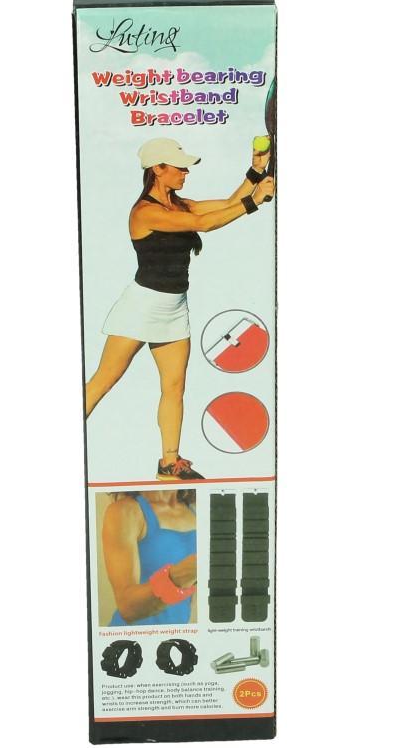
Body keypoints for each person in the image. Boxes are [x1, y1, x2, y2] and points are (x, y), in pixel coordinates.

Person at [84, 137, 276, 480]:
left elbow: (227, 204)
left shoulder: (180, 205)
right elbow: (205, 224)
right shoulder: (145, 212)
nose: (186, 172)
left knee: (174, 388)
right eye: (180, 167)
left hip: (174, 309)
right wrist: (254, 201)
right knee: (102, 382)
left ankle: (169, 464)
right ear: (158, 169)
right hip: (140, 308)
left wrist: (255, 171)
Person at [101, 490, 196, 626]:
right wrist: (179, 576)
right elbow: (127, 608)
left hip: (177, 635)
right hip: (132, 635)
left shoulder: (194, 511)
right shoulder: (125, 511)